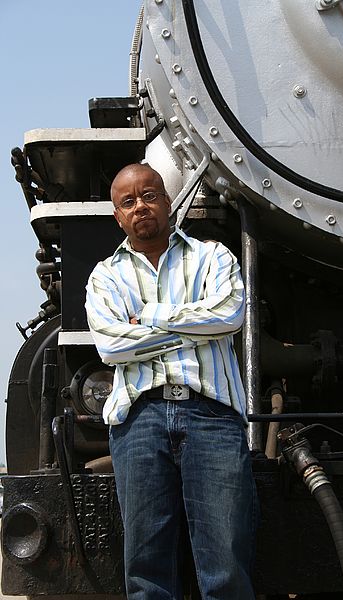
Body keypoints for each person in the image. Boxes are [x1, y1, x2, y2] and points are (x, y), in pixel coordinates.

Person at [85, 163, 257, 600]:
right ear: (118, 216)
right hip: (138, 419)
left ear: (167, 201)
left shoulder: (213, 257)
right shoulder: (105, 276)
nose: (140, 205)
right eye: (128, 202)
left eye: (149, 195)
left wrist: (149, 317)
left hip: (212, 416)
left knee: (226, 562)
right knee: (146, 569)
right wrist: (195, 326)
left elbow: (230, 316)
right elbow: (111, 347)